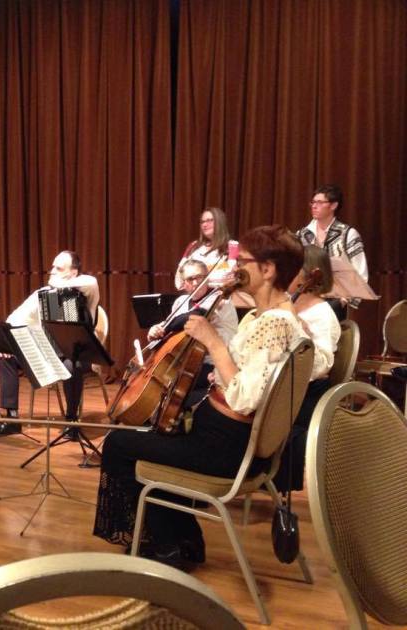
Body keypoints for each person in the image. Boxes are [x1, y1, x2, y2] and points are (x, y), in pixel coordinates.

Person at [93, 225, 307, 569]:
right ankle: (186, 540)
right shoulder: (266, 316)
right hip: (226, 437)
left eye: (243, 261)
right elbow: (249, 377)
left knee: (119, 445)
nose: (235, 268)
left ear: (267, 270)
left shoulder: (274, 323)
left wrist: (212, 341)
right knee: (154, 434)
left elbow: (244, 399)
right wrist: (218, 372)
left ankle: (167, 547)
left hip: (225, 448)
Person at [0, 251, 100, 437]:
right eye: (52, 267)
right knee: (7, 357)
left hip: (77, 353)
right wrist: (9, 344)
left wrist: (58, 284)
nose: (52, 271)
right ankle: (12, 419)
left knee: (71, 365)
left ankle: (72, 421)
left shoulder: (87, 290)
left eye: (59, 268)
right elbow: (14, 319)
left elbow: (91, 281)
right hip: (49, 353)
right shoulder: (42, 294)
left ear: (74, 273)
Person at [274, 246, 340, 492]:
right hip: (281, 384)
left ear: (308, 274)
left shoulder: (323, 314)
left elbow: (321, 366)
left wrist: (302, 331)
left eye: (292, 267)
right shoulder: (288, 303)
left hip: (303, 392)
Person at [147, 259, 238, 409]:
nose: (196, 283)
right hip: (184, 361)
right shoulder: (181, 302)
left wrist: (167, 327)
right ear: (184, 283)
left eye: (199, 277)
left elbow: (193, 317)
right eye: (190, 279)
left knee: (169, 387)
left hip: (211, 364)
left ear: (207, 278)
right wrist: (156, 330)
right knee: (157, 383)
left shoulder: (220, 301)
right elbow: (171, 326)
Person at [296, 184, 368, 316]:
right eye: (313, 202)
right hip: (305, 299)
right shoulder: (302, 234)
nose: (314, 206)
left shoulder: (348, 234)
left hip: (335, 301)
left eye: (319, 202)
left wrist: (343, 300)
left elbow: (360, 272)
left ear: (333, 205)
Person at [174, 207, 233, 289]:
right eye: (202, 222)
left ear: (220, 222)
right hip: (193, 294)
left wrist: (198, 280)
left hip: (219, 294)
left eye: (209, 220)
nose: (204, 225)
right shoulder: (193, 246)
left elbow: (229, 278)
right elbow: (179, 280)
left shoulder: (232, 246)